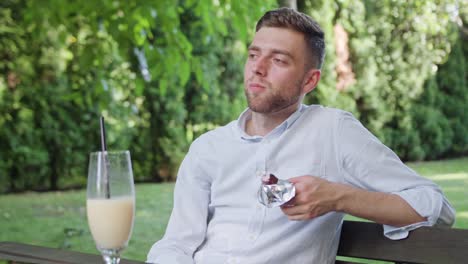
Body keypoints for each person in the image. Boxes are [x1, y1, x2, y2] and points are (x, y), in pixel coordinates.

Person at [147, 7, 455, 264]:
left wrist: (338, 197)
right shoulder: (208, 148)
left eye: (278, 60)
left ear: (310, 80)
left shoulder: (332, 131)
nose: (258, 68)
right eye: (254, 55)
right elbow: (176, 244)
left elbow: (434, 206)